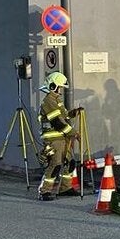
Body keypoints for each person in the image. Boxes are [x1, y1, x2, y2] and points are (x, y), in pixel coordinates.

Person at [36, 72, 77, 200]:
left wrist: (73, 113)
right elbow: (57, 122)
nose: (61, 90)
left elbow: (63, 116)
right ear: (53, 86)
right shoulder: (48, 101)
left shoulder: (56, 100)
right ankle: (44, 191)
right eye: (60, 87)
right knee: (55, 165)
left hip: (62, 137)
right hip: (53, 139)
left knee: (70, 163)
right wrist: (73, 133)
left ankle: (65, 188)